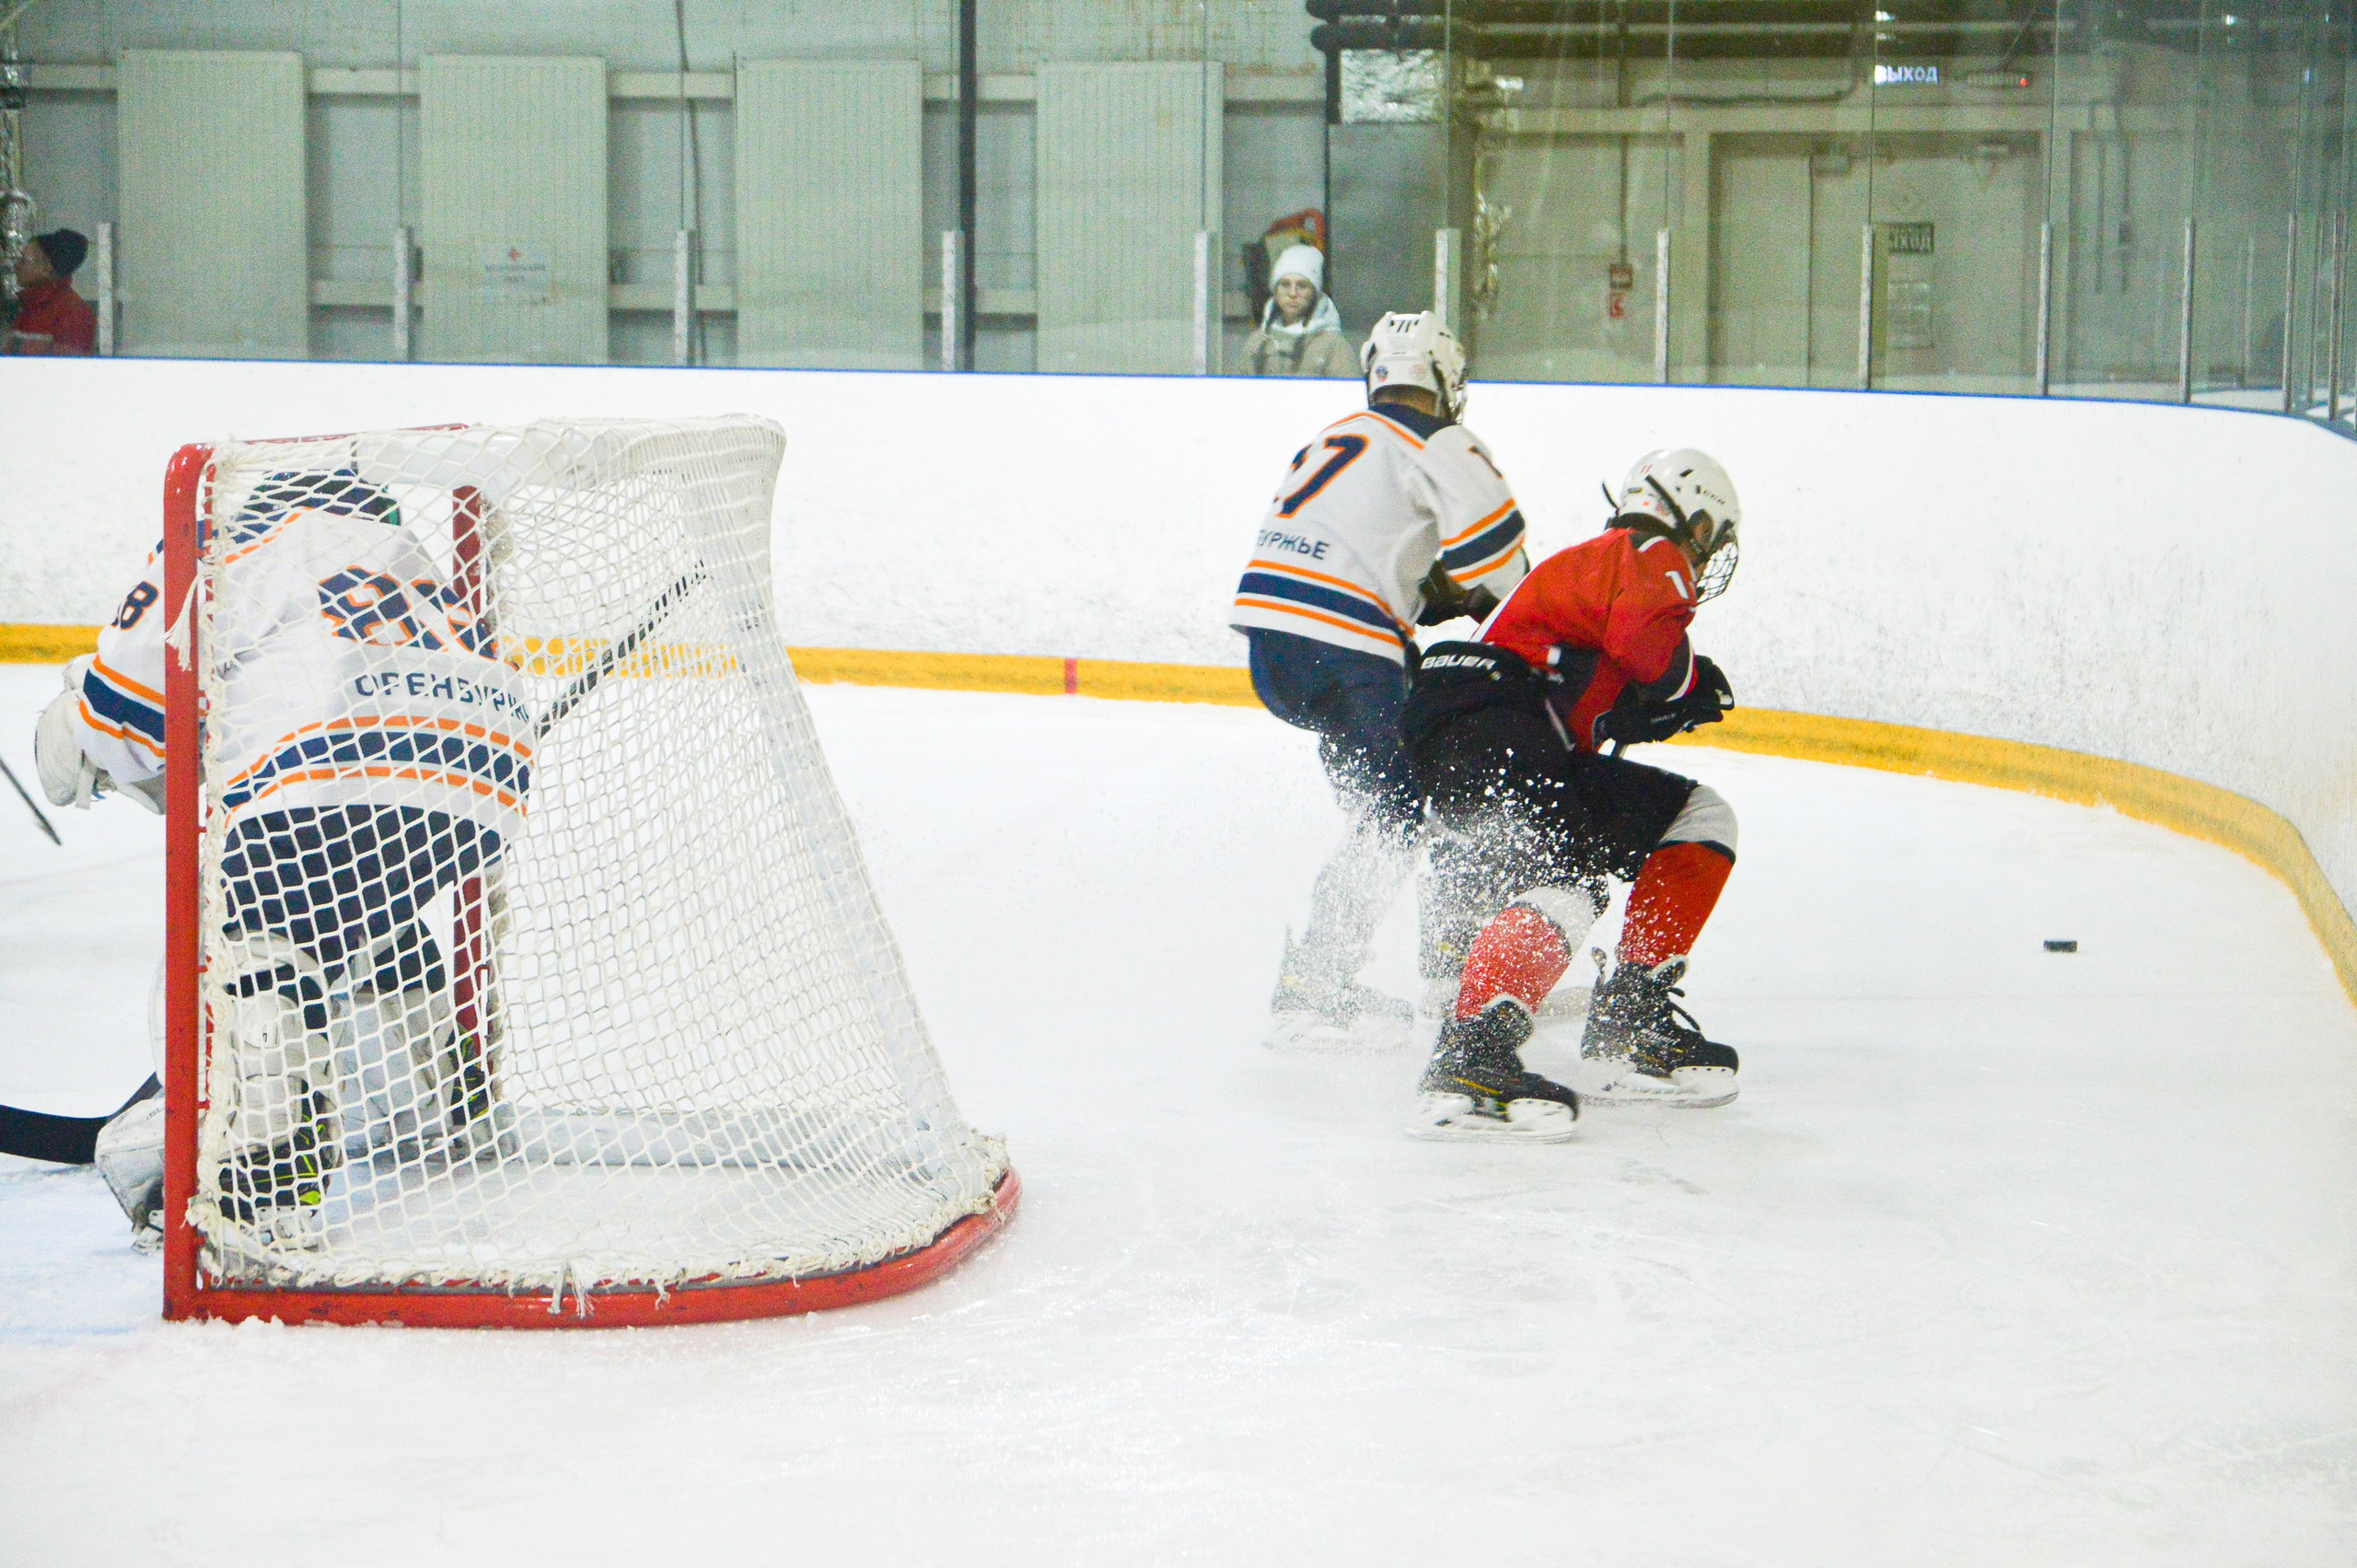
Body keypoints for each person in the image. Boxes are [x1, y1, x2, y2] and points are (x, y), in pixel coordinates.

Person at [36, 455, 532, 1249]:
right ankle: (430, 1102)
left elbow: (116, 708)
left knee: (247, 924)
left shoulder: (224, 541)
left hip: (332, 760)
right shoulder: (396, 555)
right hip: (486, 773)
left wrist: (65, 735)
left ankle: (261, 1162)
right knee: (354, 904)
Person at [1399, 448, 1744, 1141]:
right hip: (1491, 718)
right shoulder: (1649, 548)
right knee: (1564, 876)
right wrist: (1685, 683)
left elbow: (1591, 689)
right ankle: (1469, 1056)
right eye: (1707, 534)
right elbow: (1653, 653)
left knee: (1700, 816)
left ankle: (1630, 1022)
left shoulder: (1600, 568)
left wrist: (1652, 708)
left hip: (1485, 725)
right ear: (1691, 518)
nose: (1702, 561)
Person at [1231, 310, 1531, 1051]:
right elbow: (1504, 573)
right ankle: (1321, 981)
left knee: (1383, 805)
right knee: (1404, 806)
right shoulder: (1438, 439)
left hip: (1275, 648)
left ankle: (1341, 965)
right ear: (1447, 382)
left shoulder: (1338, 435)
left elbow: (1369, 557)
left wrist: (1440, 597)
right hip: (1348, 650)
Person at [1237, 245, 1356, 378]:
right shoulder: (1257, 343)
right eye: (1285, 284)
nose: (1293, 293)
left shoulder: (1334, 346)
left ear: (1314, 293)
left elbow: (1348, 397)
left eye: (1302, 285)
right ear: (1275, 290)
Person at [7, 228, 97, 355]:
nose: (16, 265)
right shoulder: (27, 304)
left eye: (23, 260)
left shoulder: (73, 312)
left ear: (46, 267)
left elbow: (71, 369)